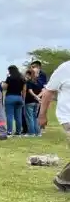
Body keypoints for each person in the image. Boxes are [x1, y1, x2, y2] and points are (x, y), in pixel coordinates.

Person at [37, 60, 70, 191]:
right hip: (68, 116)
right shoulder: (65, 68)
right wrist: (42, 115)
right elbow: (48, 92)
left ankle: (64, 179)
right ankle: (63, 179)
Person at [2, 65, 26, 136]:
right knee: (18, 116)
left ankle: (9, 131)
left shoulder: (9, 78)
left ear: (10, 71)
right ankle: (18, 131)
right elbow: (24, 90)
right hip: (19, 97)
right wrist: (23, 99)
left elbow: (4, 87)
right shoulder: (22, 79)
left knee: (9, 115)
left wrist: (6, 80)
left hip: (10, 97)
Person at [24, 68, 42, 136]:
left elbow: (30, 91)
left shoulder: (29, 82)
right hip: (37, 102)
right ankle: (38, 132)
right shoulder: (39, 82)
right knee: (35, 117)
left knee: (30, 118)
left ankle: (31, 133)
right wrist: (38, 97)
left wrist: (35, 96)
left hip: (29, 101)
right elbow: (43, 90)